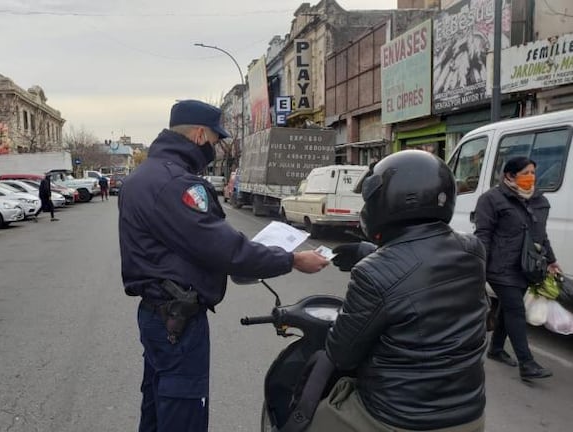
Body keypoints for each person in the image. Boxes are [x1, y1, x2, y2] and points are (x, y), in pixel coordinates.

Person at [118, 99, 330, 432]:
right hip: (178, 322)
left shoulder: (142, 176)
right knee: (182, 412)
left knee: (159, 404)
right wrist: (291, 259)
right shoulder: (177, 183)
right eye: (216, 141)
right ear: (201, 134)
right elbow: (223, 249)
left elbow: (189, 243)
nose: (216, 148)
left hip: (157, 315)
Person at [313, 150, 488, 432]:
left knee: (313, 418)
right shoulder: (473, 251)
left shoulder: (372, 274)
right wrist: (368, 252)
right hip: (469, 413)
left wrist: (372, 258)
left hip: (397, 418)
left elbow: (342, 354)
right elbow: (423, 266)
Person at [474, 156, 561, 380]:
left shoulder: (539, 200)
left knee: (508, 306)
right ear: (509, 176)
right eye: (525, 173)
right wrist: (479, 266)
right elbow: (483, 235)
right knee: (515, 309)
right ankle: (527, 363)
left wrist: (551, 259)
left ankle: (495, 349)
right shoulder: (491, 200)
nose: (531, 178)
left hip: (527, 266)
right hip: (500, 266)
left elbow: (541, 234)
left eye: (533, 172)